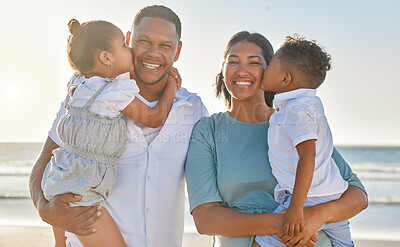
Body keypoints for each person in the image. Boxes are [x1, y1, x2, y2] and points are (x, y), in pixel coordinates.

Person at [29, 5, 208, 247]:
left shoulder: (193, 109)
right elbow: (47, 160)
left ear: (177, 51)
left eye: (165, 45)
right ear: (128, 40)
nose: (153, 54)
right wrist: (44, 208)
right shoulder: (87, 94)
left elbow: (212, 183)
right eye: (144, 41)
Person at [184, 31, 368, 247]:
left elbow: (357, 195)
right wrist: (287, 223)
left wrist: (316, 216)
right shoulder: (208, 131)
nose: (242, 70)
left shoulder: (292, 122)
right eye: (233, 62)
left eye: (254, 63)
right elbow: (206, 220)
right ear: (223, 70)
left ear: (273, 70)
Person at [253, 35, 353, 247]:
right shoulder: (306, 104)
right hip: (332, 193)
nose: (265, 69)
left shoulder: (296, 109)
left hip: (308, 198)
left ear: (285, 79)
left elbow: (308, 155)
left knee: (261, 243)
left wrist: (296, 208)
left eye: (270, 65)